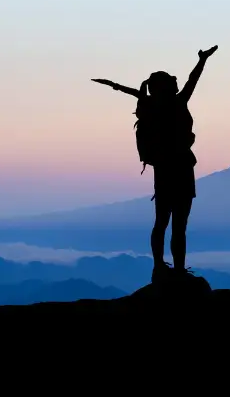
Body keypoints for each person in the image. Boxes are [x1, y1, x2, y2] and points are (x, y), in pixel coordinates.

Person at [92, 45, 218, 283]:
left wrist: (116, 86)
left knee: (162, 221)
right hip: (181, 168)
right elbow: (193, 80)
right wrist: (202, 61)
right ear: (166, 87)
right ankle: (177, 270)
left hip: (164, 170)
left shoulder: (152, 107)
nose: (176, 83)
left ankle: (160, 266)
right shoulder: (178, 103)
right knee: (179, 224)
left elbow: (143, 93)